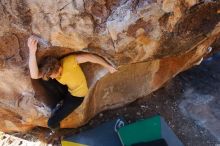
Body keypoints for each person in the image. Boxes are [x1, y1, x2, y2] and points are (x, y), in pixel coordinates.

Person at [28, 36, 117, 129]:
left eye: (53, 76)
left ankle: (57, 126)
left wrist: (108, 66)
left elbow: (91, 57)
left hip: (76, 97)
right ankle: (59, 104)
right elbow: (34, 75)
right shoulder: (53, 71)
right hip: (67, 89)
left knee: (51, 123)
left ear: (58, 69)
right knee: (41, 80)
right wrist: (32, 51)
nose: (53, 78)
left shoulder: (70, 62)